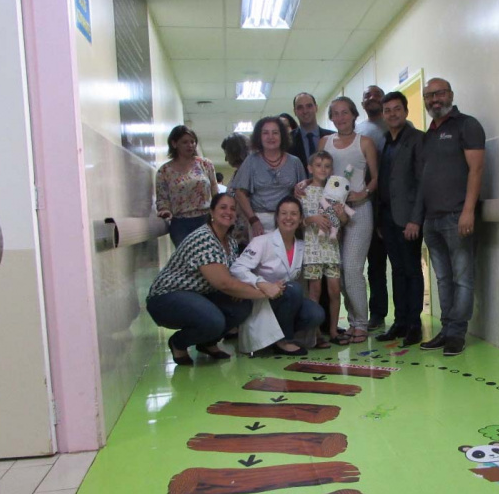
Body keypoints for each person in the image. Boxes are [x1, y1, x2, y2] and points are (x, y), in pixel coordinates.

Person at [146, 193, 262, 366]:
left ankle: (207, 343)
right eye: (223, 207)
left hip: (200, 294)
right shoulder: (204, 238)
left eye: (232, 209)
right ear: (212, 212)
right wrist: (263, 291)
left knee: (241, 305)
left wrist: (244, 290)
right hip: (167, 296)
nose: (228, 212)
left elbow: (229, 276)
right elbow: (223, 283)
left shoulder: (229, 241)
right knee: (214, 320)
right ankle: (178, 343)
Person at [418, 78, 485, 357]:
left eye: (440, 93)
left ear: (451, 95)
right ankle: (446, 329)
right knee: (443, 280)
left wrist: (468, 211)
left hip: (458, 216)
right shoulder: (428, 135)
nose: (435, 99)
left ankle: (458, 333)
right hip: (431, 220)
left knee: (463, 279)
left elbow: (477, 169)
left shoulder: (466, 125)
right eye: (429, 95)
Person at [318, 97, 379, 344]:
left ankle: (361, 324)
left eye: (345, 113)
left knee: (353, 268)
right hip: (331, 212)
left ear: (354, 115)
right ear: (331, 118)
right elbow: (318, 171)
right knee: (339, 271)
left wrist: (361, 193)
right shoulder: (325, 142)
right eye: (336, 113)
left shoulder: (365, 142)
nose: (341, 117)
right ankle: (353, 321)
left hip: (359, 211)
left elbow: (375, 178)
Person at [230, 196, 325, 356]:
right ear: (277, 217)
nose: (288, 218)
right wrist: (261, 283)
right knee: (294, 288)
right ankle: (284, 341)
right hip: (262, 301)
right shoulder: (261, 241)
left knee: (316, 314)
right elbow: (237, 268)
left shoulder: (302, 246)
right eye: (284, 213)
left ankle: (275, 337)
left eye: (294, 214)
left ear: (301, 218)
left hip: (285, 303)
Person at [374, 91, 426, 347]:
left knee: (412, 270)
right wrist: (379, 222)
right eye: (387, 110)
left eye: (397, 109)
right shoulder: (385, 141)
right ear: (383, 115)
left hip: (408, 219)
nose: (392, 114)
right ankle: (400, 321)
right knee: (396, 270)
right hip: (387, 218)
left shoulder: (417, 139)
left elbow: (422, 182)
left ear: (405, 112)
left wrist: (416, 219)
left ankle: (415, 325)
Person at [300, 151, 350, 347]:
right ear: (310, 168)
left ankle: (332, 329)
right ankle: (316, 333)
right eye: (318, 165)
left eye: (327, 166)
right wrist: (313, 219)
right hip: (312, 249)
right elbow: (297, 222)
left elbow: (344, 221)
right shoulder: (303, 192)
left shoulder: (337, 192)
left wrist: (341, 215)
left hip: (331, 248)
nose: (323, 169)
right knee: (314, 291)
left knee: (334, 291)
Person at [231, 116, 308, 239]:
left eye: (275, 133)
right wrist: (253, 220)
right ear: (259, 137)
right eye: (265, 133)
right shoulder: (251, 161)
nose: (270, 137)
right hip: (260, 221)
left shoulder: (295, 162)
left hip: (288, 219)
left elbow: (304, 191)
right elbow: (240, 193)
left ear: (282, 136)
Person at [357, 85, 389, 331]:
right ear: (362, 103)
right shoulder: (358, 133)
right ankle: (377, 314)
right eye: (367, 96)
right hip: (368, 205)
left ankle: (407, 319)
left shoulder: (398, 127)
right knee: (375, 266)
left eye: (376, 94)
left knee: (404, 267)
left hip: (395, 206)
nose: (372, 98)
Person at [155, 125, 218, 246]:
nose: (190, 145)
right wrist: (165, 210)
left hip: (206, 220)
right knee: (188, 261)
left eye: (192, 142)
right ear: (174, 144)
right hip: (180, 224)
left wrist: (217, 214)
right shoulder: (164, 171)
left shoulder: (205, 164)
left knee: (207, 259)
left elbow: (215, 193)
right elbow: (162, 198)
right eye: (185, 142)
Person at [221, 133, 252, 250]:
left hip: (246, 231)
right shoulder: (238, 173)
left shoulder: (248, 172)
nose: (225, 158)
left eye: (226, 154)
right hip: (237, 231)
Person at [289, 92, 334, 170]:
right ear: (295, 112)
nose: (305, 111)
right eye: (300, 107)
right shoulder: (287, 140)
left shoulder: (332, 137)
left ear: (316, 108)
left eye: (309, 106)